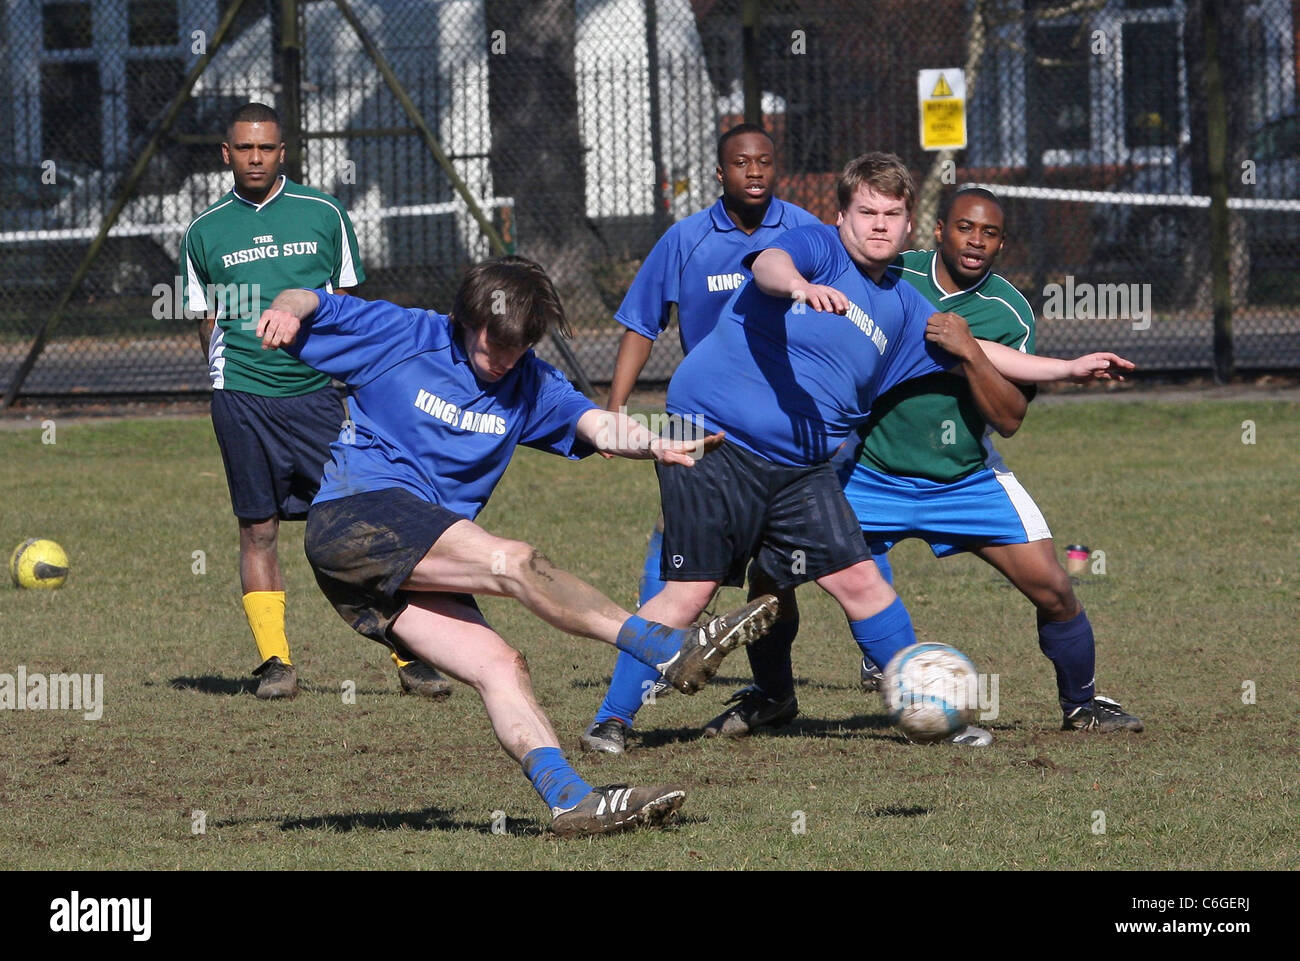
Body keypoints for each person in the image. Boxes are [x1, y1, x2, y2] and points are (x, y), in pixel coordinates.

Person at [583, 152, 1132, 750]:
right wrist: (799, 286)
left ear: (908, 224)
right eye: (866, 211)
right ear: (841, 214)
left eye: (892, 214)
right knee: (689, 594)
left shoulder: (902, 304)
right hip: (715, 441)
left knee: (864, 585)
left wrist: (1071, 367)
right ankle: (613, 721)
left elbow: (985, 353)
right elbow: (771, 263)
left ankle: (933, 714)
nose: (878, 224)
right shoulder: (817, 249)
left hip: (803, 470)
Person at [253, 255, 780, 836]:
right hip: (357, 516)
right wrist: (284, 306)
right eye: (495, 341)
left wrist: (649, 443)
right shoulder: (406, 334)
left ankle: (570, 800)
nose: (504, 358)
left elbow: (597, 424)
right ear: (466, 316)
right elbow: (318, 303)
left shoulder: (531, 383)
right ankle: (666, 650)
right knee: (515, 562)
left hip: (402, 560)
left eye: (519, 345)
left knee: (501, 666)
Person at [710, 186, 1143, 739]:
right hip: (870, 474)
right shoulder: (892, 272)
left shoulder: (1007, 312)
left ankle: (1081, 704)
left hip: (963, 479)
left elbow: (1009, 417)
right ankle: (773, 698)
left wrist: (968, 351)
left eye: (989, 233)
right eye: (965, 227)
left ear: (1001, 243)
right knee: (771, 574)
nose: (976, 241)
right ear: (939, 230)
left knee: (1055, 588)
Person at [181, 102, 449, 700]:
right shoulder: (203, 231)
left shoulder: (324, 214)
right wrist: (228, 374)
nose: (255, 158)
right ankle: (277, 664)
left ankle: (411, 657)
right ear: (226, 154)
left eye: (266, 148)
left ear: (283, 152)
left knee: (363, 524)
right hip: (242, 400)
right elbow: (205, 320)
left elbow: (351, 311)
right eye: (244, 148)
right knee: (257, 530)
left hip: (317, 399)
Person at [581, 123, 822, 754]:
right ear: (720, 172)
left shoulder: (806, 234)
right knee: (676, 565)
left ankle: (774, 693)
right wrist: (614, 408)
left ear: (778, 168)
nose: (754, 172)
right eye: (741, 162)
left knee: (775, 572)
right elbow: (640, 322)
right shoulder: (685, 238)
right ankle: (621, 708)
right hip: (697, 422)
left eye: (765, 161)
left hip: (779, 422)